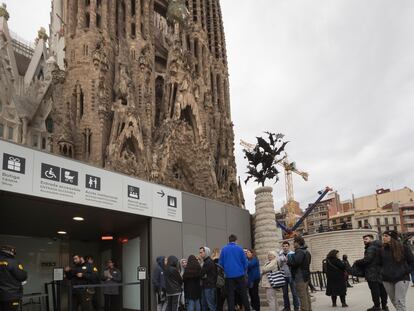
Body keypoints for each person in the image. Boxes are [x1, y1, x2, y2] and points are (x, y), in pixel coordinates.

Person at [378, 230, 414, 311]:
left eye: (386, 236)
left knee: (399, 301)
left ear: (393, 238)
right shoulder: (381, 250)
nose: (383, 237)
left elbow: (412, 262)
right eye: (383, 236)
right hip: (386, 279)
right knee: (394, 301)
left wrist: (405, 271)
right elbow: (379, 264)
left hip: (402, 278)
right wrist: (382, 272)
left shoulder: (404, 248)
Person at [354, 234, 388, 311]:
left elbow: (367, 259)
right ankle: (384, 306)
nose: (364, 241)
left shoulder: (371, 248)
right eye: (363, 239)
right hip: (381, 272)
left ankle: (377, 307)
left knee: (375, 290)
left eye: (366, 239)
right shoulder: (380, 247)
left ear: (371, 239)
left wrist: (357, 261)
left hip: (372, 273)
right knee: (382, 290)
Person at [219, 234, 250, 311]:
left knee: (230, 296)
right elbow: (245, 262)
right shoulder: (239, 248)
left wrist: (226, 269)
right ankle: (247, 309)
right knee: (244, 294)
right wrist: (242, 270)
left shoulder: (224, 249)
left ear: (229, 240)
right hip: (240, 274)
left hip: (229, 276)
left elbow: (220, 263)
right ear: (236, 241)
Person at [0, 245, 28, 311]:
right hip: (11, 295)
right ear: (10, 252)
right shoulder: (12, 262)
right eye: (13, 253)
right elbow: (22, 276)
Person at [287, 236, 311, 311]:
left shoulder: (300, 251)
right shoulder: (306, 251)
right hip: (305, 276)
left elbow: (296, 262)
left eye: (294, 242)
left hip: (300, 277)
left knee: (302, 296)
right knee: (306, 295)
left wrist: (288, 261)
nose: (293, 244)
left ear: (297, 243)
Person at [279, 241, 300, 311]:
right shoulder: (280, 254)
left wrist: (288, 260)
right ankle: (287, 307)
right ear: (282, 247)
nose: (285, 247)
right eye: (284, 246)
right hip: (283, 275)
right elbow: (279, 265)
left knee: (294, 293)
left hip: (291, 275)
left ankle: (296, 307)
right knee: (285, 293)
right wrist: (281, 261)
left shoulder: (292, 254)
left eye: (286, 246)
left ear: (289, 247)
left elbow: (295, 264)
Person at [199, 246, 217, 311]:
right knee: (205, 304)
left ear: (206, 252)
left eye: (201, 252)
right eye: (199, 252)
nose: (200, 254)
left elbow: (201, 274)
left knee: (210, 305)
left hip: (209, 287)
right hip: (207, 286)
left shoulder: (208, 262)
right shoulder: (206, 261)